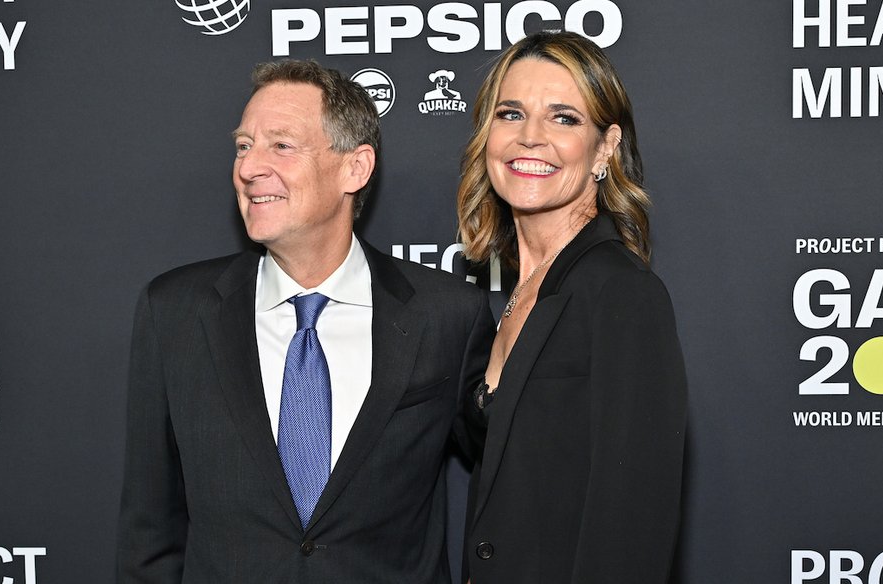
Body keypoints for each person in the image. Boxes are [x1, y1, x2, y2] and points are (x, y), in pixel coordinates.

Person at [117, 59, 494, 583]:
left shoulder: (447, 314)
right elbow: (149, 534)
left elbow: (510, 479)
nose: (249, 168)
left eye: (281, 145)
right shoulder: (176, 312)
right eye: (244, 146)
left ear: (355, 168)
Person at [457, 31, 687, 583]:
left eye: (564, 119)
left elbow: (630, 529)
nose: (530, 138)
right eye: (511, 113)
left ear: (605, 147)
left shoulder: (622, 294)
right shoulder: (511, 296)